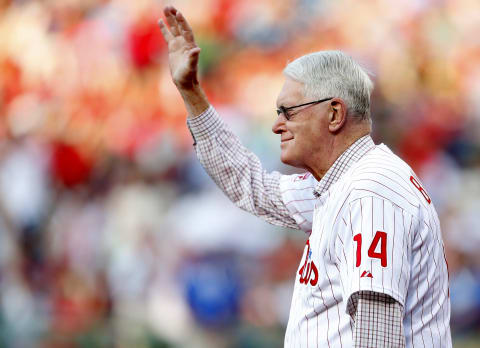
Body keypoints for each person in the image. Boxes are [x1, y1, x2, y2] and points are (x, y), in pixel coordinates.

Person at [158, 6, 452, 348]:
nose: (276, 124)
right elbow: (252, 186)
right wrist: (192, 92)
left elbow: (378, 336)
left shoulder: (371, 192)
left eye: (288, 111)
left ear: (334, 113)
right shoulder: (342, 184)